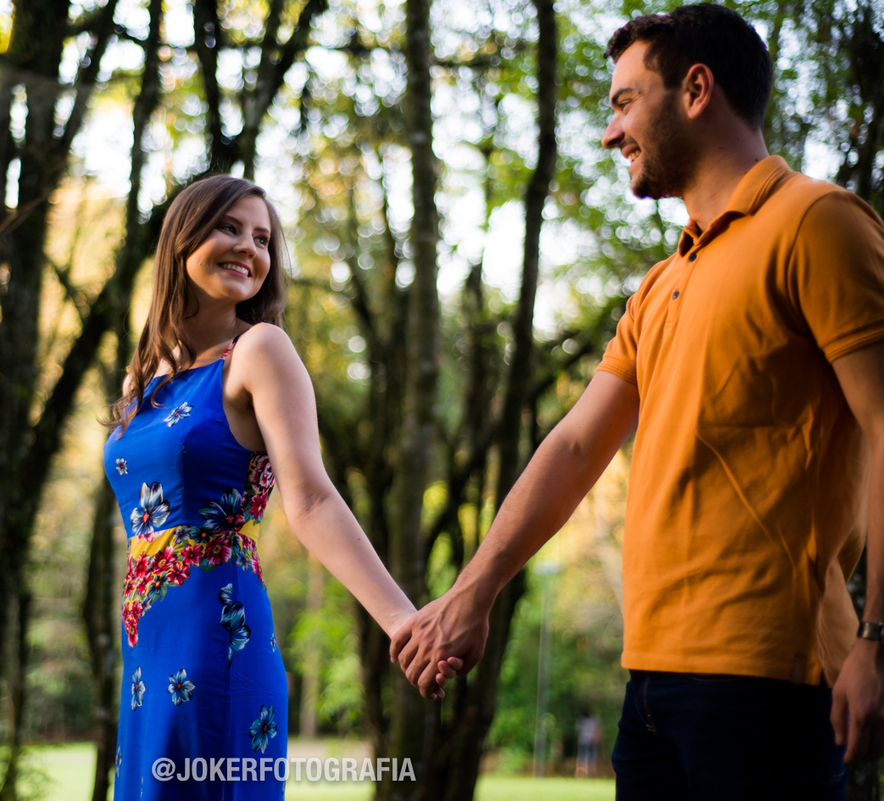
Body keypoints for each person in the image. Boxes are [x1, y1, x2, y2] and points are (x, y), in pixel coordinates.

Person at [391, 4, 884, 799]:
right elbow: (577, 446)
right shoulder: (661, 283)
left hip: (770, 680)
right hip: (650, 682)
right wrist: (474, 589)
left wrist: (878, 641)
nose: (609, 132)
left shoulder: (816, 224)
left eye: (623, 103)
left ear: (696, 90)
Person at [103, 174, 417, 799]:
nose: (250, 247)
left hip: (218, 639)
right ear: (180, 240)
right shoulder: (144, 378)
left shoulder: (259, 351)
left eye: (263, 238)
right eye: (230, 227)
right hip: (147, 644)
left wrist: (402, 621)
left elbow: (312, 497)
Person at [574, 710, 601, 778]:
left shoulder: (580, 720)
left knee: (582, 757)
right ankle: (590, 774)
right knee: (591, 758)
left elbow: (577, 731)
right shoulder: (595, 719)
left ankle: (582, 774)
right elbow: (597, 730)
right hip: (590, 741)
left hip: (583, 741)